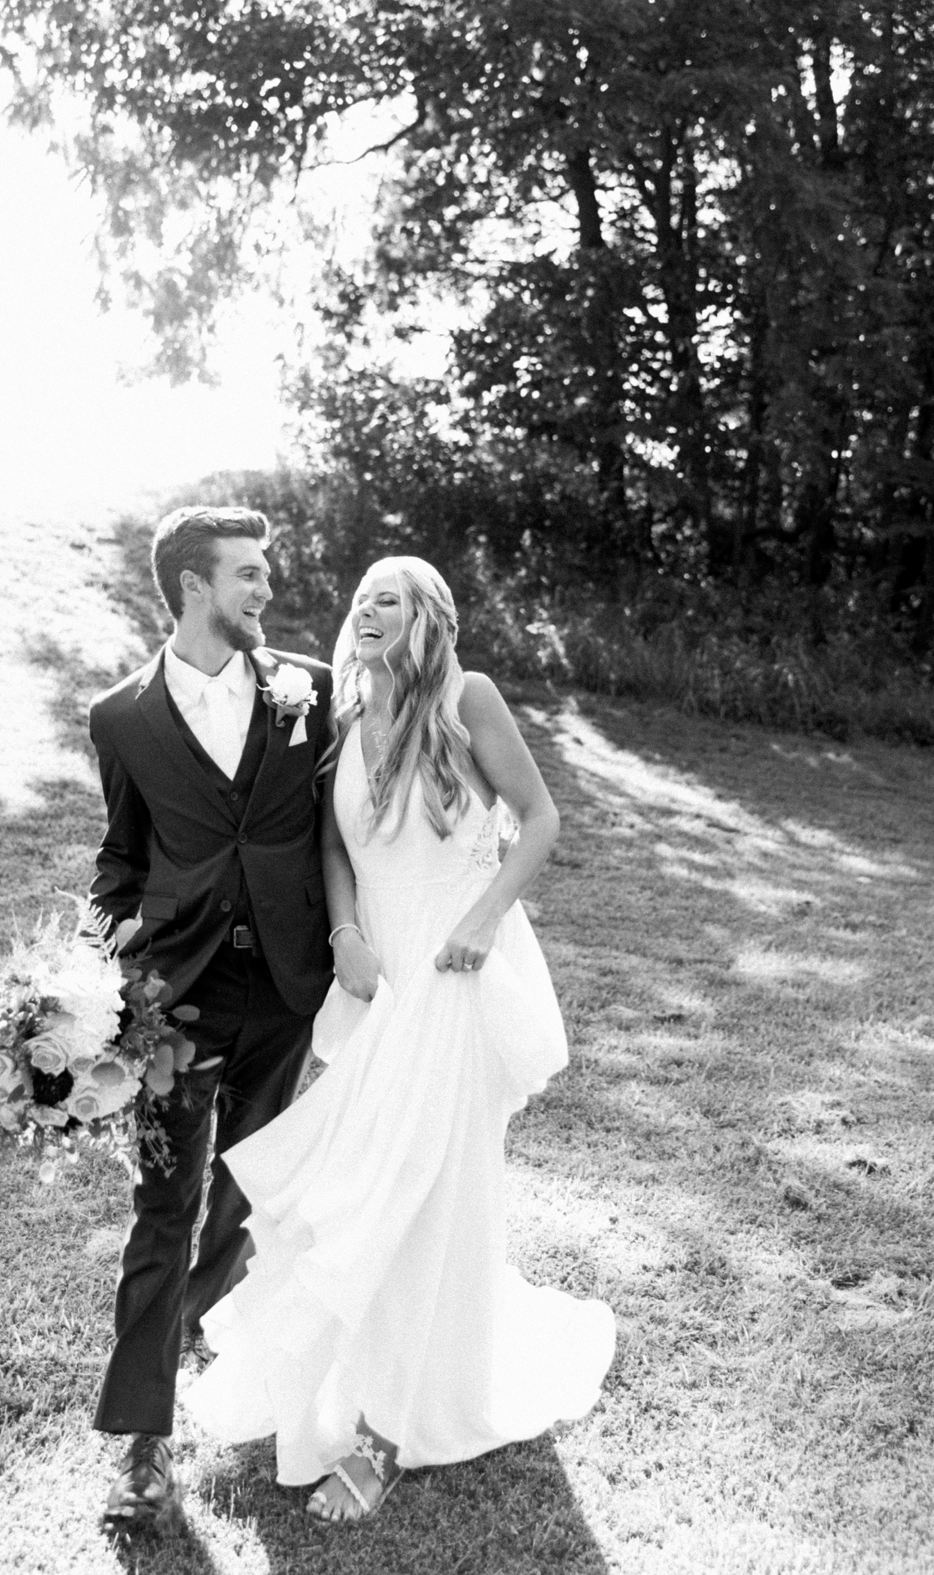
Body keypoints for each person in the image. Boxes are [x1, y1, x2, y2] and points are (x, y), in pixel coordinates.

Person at [183, 556, 616, 1521]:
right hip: (379, 985)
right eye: (360, 596)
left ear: (427, 612)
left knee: (414, 1188)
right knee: (367, 1184)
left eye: (389, 595)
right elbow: (336, 844)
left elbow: (540, 819)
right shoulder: (347, 709)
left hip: (456, 974)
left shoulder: (471, 697)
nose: (365, 608)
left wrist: (482, 920)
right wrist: (344, 937)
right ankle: (368, 1387)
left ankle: (388, 1437)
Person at [86, 505, 334, 1531]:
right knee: (162, 1209)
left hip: (284, 987)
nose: (265, 590)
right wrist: (106, 972)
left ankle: (200, 1324)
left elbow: (344, 814)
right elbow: (120, 859)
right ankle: (140, 1452)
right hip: (176, 1002)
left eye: (266, 573)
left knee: (251, 1190)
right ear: (193, 585)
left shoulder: (308, 690)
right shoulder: (122, 719)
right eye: (247, 574)